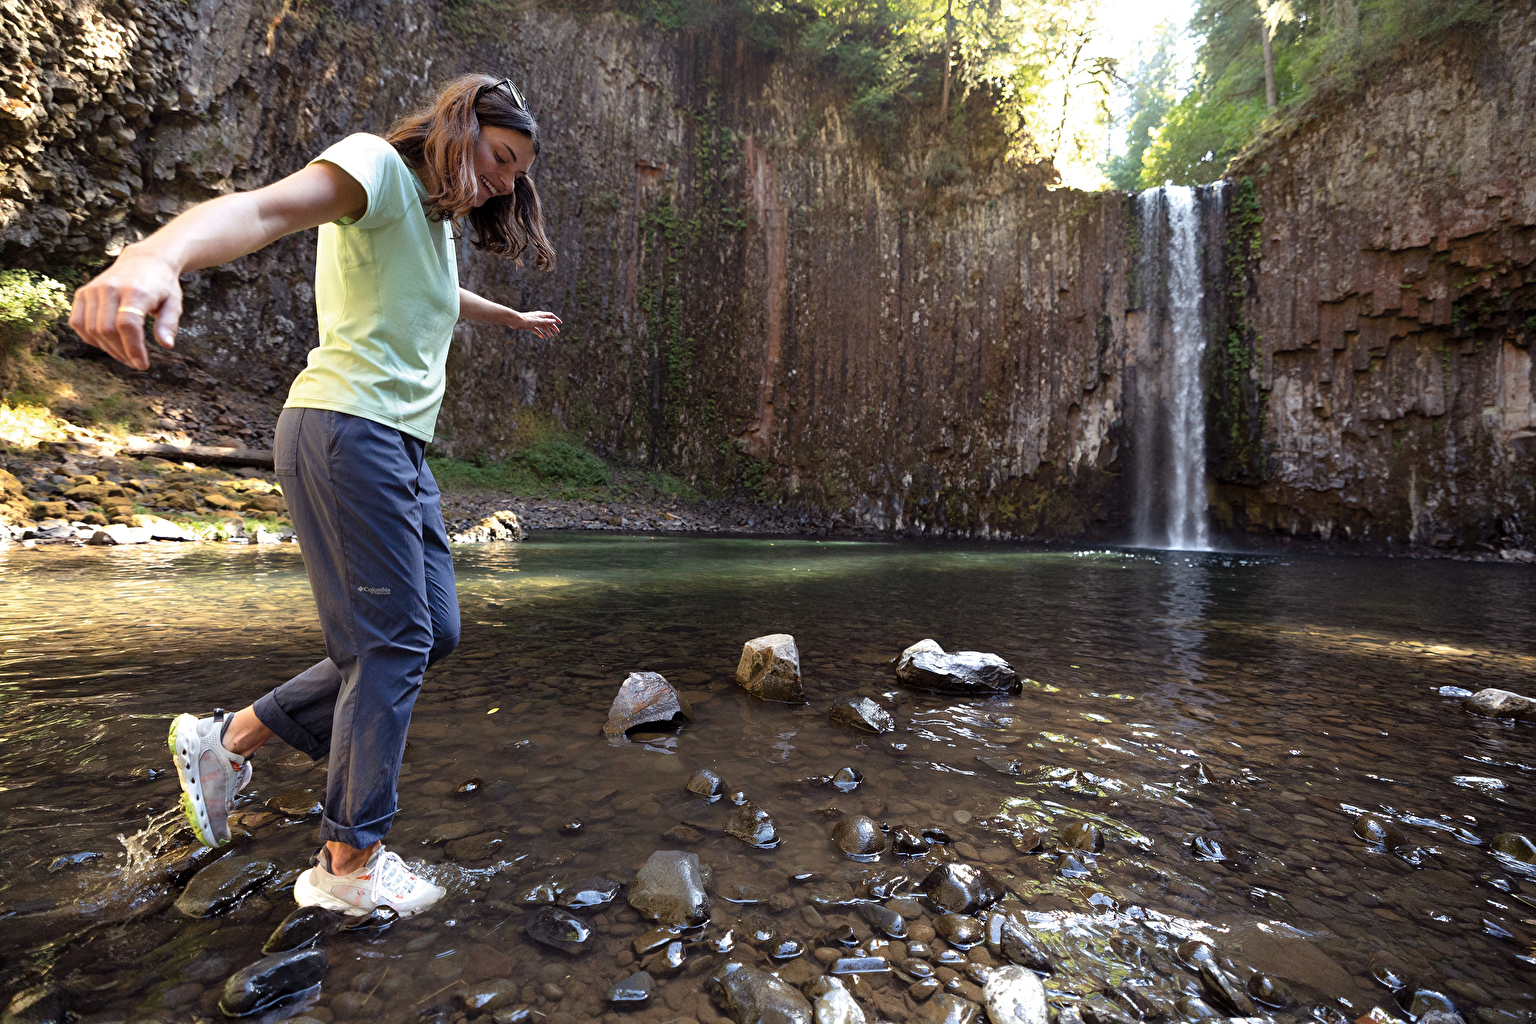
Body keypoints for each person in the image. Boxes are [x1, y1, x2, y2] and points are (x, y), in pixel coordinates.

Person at [68, 74, 561, 917]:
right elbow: (262, 211)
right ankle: (350, 862)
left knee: (428, 632)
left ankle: (229, 742)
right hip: (345, 432)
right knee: (392, 642)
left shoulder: (432, 221)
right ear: (461, 124)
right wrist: (156, 254)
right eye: (503, 157)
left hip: (398, 449)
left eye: (518, 173)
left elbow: (440, 296)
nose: (508, 183)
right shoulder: (375, 167)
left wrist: (508, 319)